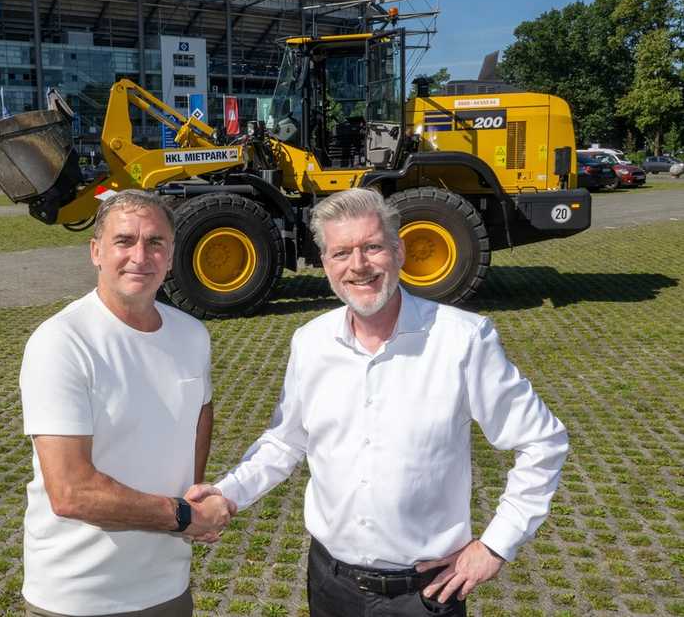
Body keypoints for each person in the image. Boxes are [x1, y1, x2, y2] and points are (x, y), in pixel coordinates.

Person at [191, 188, 569, 617]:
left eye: (372, 247)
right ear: (325, 264)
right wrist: (227, 494)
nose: (358, 266)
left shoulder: (462, 340)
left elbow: (543, 441)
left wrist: (497, 544)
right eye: (341, 253)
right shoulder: (311, 342)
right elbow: (285, 442)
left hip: (425, 593)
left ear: (399, 251)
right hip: (331, 585)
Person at [20, 190, 234, 617]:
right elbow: (71, 492)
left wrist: (194, 489)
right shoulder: (61, 343)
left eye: (155, 242)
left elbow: (200, 412)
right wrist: (184, 517)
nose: (141, 255)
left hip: (168, 586)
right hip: (79, 595)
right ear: (96, 251)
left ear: (171, 256)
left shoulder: (192, 335)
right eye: (124, 241)